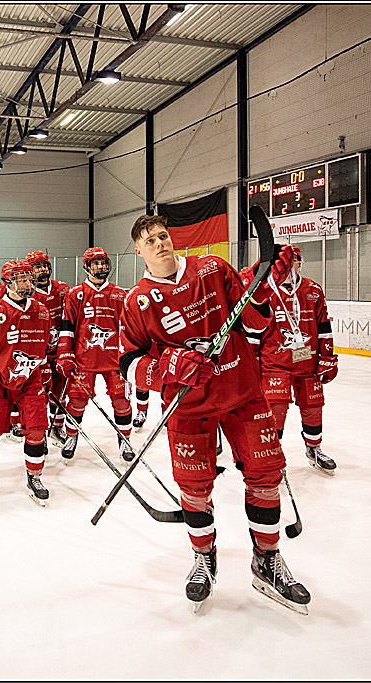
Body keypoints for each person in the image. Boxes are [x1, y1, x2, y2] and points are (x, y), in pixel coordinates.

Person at [119, 214, 309, 613]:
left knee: (265, 475)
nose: (159, 243)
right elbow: (129, 363)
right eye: (149, 240)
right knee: (193, 486)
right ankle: (203, 557)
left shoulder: (212, 268)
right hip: (188, 405)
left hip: (242, 391)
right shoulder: (136, 300)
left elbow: (256, 325)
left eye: (163, 235)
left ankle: (267, 559)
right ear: (139, 251)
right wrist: (168, 366)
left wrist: (260, 288)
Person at [0, 260, 53, 505]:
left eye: (29, 278)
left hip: (30, 378)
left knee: (36, 429)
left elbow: (43, 347)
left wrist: (44, 368)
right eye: (22, 279)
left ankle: (34, 477)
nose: (28, 283)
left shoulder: (42, 311)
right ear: (8, 282)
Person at [254, 246, 338, 475]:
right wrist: (251, 361)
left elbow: (324, 327)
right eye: (286, 261)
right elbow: (254, 329)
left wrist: (328, 357)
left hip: (307, 362)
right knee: (276, 409)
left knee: (313, 407)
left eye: (295, 260)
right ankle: (273, 455)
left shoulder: (313, 289)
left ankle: (314, 449)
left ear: (301, 262)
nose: (291, 265)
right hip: (274, 363)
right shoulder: (265, 292)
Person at [56, 247, 134, 463]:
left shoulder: (120, 294)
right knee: (77, 401)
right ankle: (72, 437)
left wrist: (130, 354)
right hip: (84, 359)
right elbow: (67, 327)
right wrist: (64, 353)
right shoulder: (75, 293)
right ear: (87, 266)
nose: (101, 266)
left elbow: (128, 328)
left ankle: (125, 441)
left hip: (114, 361)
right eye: (96, 263)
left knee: (121, 401)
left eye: (103, 262)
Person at [26, 250, 70, 447]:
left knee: (61, 393)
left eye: (45, 265)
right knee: (39, 395)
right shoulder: (27, 294)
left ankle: (57, 427)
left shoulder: (62, 289)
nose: (43, 269)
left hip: (60, 351)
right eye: (38, 266)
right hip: (37, 356)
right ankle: (40, 433)